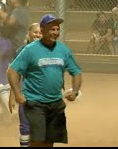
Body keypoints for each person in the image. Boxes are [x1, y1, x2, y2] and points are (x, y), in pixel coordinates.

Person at [7, 14, 82, 147]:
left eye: (57, 29)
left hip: (55, 103)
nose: (55, 32)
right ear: (43, 30)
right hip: (35, 103)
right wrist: (17, 94)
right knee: (37, 140)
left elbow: (76, 72)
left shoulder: (63, 50)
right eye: (52, 29)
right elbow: (12, 71)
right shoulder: (30, 50)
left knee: (49, 141)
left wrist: (75, 91)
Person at [13, 22, 42, 147]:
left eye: (40, 33)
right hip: (26, 93)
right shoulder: (21, 51)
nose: (38, 35)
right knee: (25, 126)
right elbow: (15, 74)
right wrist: (12, 95)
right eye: (35, 32)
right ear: (28, 34)